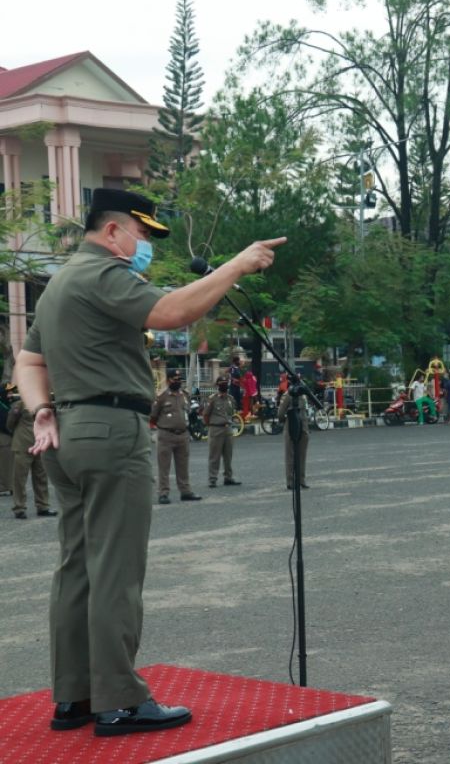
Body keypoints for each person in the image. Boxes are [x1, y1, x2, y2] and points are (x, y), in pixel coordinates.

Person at [14, 187, 283, 734]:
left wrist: (41, 409)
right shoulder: (104, 274)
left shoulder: (59, 283)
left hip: (66, 430)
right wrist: (238, 264)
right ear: (112, 231)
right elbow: (171, 311)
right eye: (142, 235)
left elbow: (28, 359)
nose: (145, 249)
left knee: (78, 566)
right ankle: (119, 700)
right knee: (116, 567)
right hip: (112, 429)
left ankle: (74, 697)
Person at [149, 368, 198, 504]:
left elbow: (188, 411)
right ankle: (163, 493)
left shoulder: (185, 395)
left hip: (182, 435)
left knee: (183, 465)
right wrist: (163, 426)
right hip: (166, 435)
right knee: (164, 466)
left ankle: (185, 491)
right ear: (168, 380)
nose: (177, 382)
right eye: (174, 379)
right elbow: (153, 416)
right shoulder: (162, 396)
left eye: (179, 379)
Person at [7, 391, 56, 519]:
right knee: (19, 478)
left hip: (40, 444)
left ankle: (43, 506)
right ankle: (19, 508)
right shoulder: (20, 404)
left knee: (41, 477)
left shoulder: (45, 405)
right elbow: (10, 423)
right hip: (23, 445)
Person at [204, 377, 240, 488]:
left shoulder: (231, 399)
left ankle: (228, 478)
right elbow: (206, 415)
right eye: (222, 383)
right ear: (217, 385)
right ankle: (212, 479)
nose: (224, 385)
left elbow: (232, 413)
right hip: (216, 429)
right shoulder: (212, 399)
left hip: (228, 429)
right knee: (214, 456)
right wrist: (211, 426)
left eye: (225, 383)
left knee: (228, 456)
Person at [277, 377, 309, 489]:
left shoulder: (304, 395)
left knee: (302, 455)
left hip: (303, 427)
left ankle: (301, 480)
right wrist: (285, 421)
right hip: (291, 426)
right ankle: (290, 481)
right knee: (290, 455)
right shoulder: (288, 395)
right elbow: (280, 413)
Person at [0, 383, 16, 505]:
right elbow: (4, 424)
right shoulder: (2, 405)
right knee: (5, 464)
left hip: (7, 437)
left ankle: (8, 486)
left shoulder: (7, 404)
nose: (11, 394)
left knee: (8, 463)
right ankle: (4, 487)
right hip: (3, 437)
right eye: (9, 392)